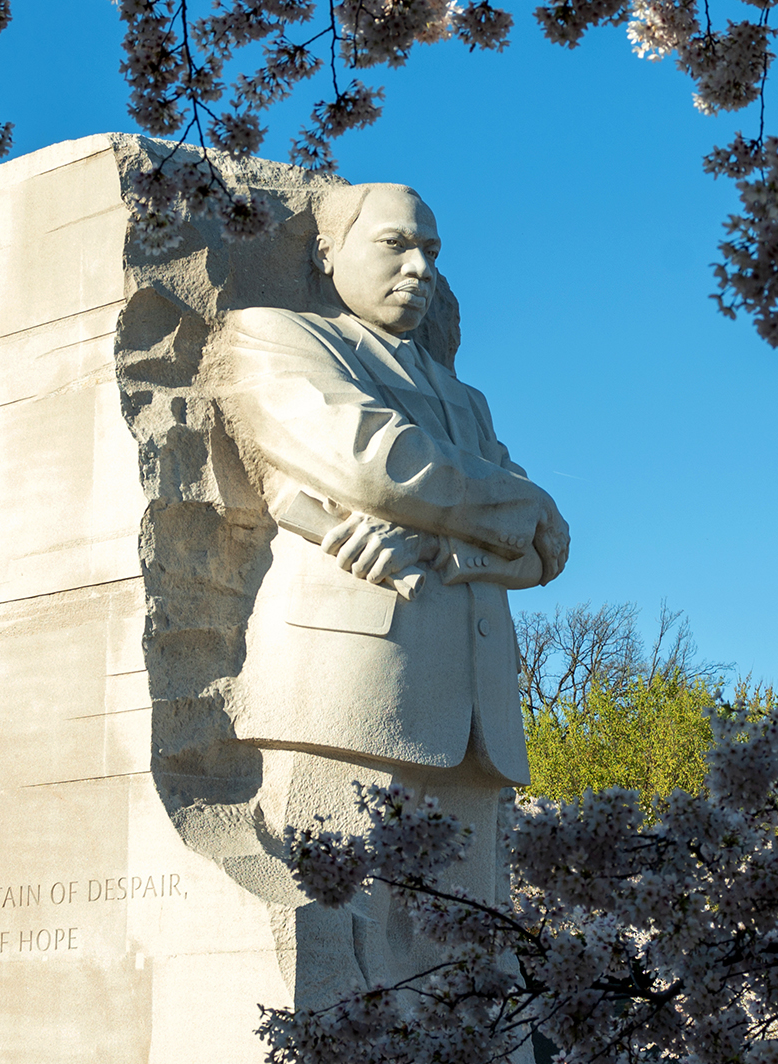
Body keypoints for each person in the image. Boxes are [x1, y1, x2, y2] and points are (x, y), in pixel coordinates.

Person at [206, 182, 569, 1003]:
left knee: (473, 986)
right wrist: (519, 506)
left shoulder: (466, 403)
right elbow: (376, 461)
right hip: (348, 695)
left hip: (473, 724)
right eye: (396, 245)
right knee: (347, 966)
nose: (420, 268)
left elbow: (548, 547)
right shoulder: (273, 337)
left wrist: (451, 540)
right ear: (328, 252)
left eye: (432, 252)